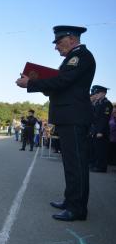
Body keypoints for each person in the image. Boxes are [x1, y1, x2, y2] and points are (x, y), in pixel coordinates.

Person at [16, 25, 95, 221]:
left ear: (72, 38)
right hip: (69, 117)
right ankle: (71, 200)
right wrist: (37, 82)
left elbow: (62, 82)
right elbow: (59, 87)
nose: (56, 47)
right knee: (70, 163)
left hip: (74, 117)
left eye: (59, 42)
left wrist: (32, 84)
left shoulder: (81, 56)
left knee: (76, 164)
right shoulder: (72, 59)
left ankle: (77, 208)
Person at [89, 85, 113, 172]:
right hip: (96, 129)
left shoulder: (107, 104)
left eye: (98, 93)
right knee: (96, 149)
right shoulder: (99, 103)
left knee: (101, 150)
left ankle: (101, 167)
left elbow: (104, 119)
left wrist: (100, 131)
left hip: (102, 131)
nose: (96, 95)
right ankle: (96, 164)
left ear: (103, 93)